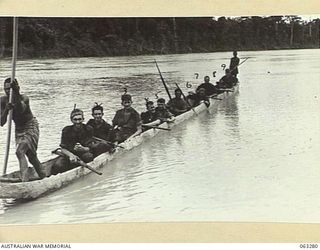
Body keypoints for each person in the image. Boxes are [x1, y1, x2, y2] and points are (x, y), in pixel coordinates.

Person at [0, 78, 47, 181]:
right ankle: (44, 176)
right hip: (19, 129)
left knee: (19, 152)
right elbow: (1, 122)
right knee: (31, 157)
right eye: (6, 89)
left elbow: (21, 110)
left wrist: (15, 95)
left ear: (17, 89)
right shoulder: (3, 101)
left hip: (30, 126)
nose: (8, 91)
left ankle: (24, 181)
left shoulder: (24, 98)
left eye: (10, 89)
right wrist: (6, 110)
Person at [50, 108, 95, 175]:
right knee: (57, 166)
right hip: (69, 154)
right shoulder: (66, 130)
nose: (78, 122)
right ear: (71, 120)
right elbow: (63, 148)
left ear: (83, 119)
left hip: (84, 153)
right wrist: (71, 155)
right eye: (75, 119)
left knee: (89, 157)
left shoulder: (88, 129)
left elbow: (91, 147)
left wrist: (83, 149)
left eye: (80, 119)